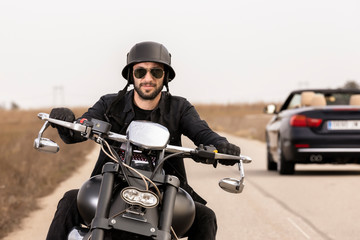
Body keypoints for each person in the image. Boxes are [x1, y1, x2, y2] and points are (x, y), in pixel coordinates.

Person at [47, 41, 240, 240]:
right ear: (132, 75)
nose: (148, 78)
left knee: (205, 217)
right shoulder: (110, 104)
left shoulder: (179, 108)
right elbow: (84, 123)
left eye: (156, 72)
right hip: (111, 187)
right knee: (70, 199)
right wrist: (67, 121)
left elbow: (203, 133)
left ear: (165, 76)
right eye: (141, 72)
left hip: (164, 192)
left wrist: (222, 146)